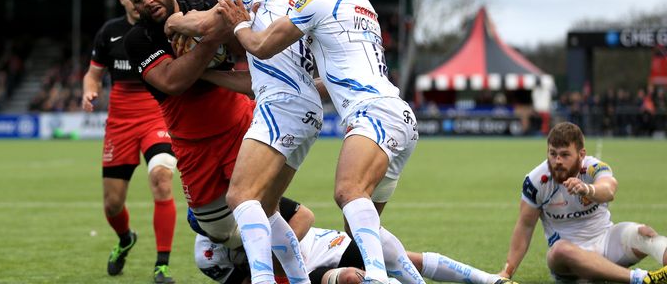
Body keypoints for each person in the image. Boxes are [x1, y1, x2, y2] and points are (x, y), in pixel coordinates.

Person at [217, 0, 421, 284]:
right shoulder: (365, 10)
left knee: (347, 192)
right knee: (361, 224)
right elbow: (330, 78)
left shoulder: (320, 2)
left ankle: (376, 277)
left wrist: (239, 23)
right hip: (400, 117)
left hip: (372, 114)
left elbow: (263, 47)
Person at [166, 0, 320, 284]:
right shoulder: (299, 5)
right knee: (266, 207)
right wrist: (204, 74)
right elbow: (254, 79)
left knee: (240, 197)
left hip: (280, 105)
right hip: (309, 111)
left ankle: (262, 280)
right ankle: (300, 281)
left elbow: (207, 24)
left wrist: (174, 21)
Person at [121, 0, 256, 257]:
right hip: (192, 143)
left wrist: (197, 25)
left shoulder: (205, 3)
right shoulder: (137, 40)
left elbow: (243, 43)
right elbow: (172, 81)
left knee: (258, 210)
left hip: (238, 124)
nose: (147, 1)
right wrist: (207, 39)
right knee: (220, 233)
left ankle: (309, 248)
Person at [81, 0, 177, 282]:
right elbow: (93, 74)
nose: (139, 2)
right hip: (120, 124)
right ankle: (125, 239)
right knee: (112, 204)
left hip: (156, 116)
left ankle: (161, 266)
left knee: (161, 178)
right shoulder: (110, 32)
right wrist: (89, 90)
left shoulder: (165, 27)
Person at [499, 121, 667, 283]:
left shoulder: (594, 167)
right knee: (559, 250)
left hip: (606, 243)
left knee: (645, 233)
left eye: (565, 155)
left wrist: (586, 189)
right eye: (553, 153)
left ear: (581, 154)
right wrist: (507, 271)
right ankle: (639, 279)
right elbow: (525, 226)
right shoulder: (536, 181)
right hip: (569, 261)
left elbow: (609, 190)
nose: (557, 161)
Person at [192, 205, 519, 284]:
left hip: (325, 245)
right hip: (301, 277)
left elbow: (304, 216)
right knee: (350, 278)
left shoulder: (245, 206)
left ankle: (490, 280)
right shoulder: (206, 255)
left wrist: (277, 248)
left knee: (402, 256)